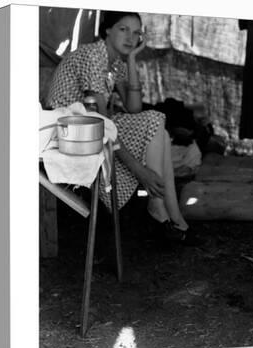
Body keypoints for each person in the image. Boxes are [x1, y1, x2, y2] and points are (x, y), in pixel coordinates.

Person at [46, 11, 196, 245]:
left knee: (161, 131)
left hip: (89, 127)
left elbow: (133, 108)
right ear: (108, 30)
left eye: (136, 33)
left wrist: (133, 59)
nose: (130, 37)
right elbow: (103, 122)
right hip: (67, 133)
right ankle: (160, 209)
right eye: (123, 29)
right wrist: (138, 170)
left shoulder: (115, 62)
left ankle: (173, 216)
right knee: (155, 120)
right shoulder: (93, 55)